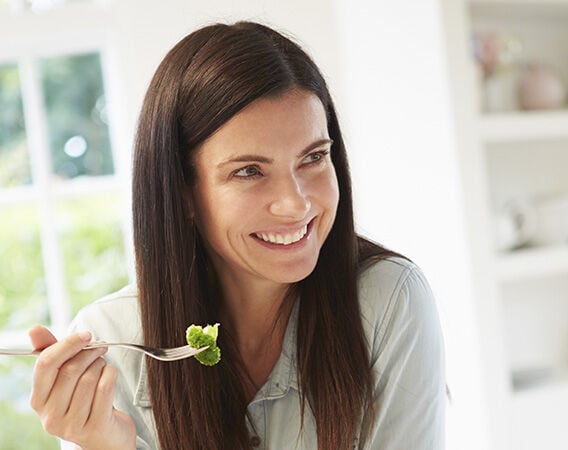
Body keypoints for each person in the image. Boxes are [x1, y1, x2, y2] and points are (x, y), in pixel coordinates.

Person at [28, 21, 446, 450]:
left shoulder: (388, 299)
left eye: (314, 157)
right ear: (183, 192)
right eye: (249, 171)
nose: (296, 204)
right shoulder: (111, 345)